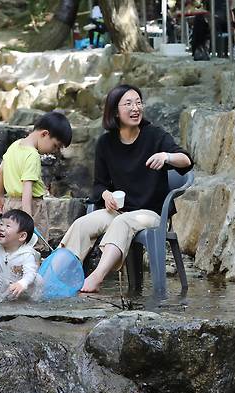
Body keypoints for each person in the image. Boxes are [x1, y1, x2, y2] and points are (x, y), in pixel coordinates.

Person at [59, 84, 193, 293]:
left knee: (122, 222)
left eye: (138, 103)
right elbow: (99, 184)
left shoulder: (155, 136)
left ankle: (96, 277)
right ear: (114, 111)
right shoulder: (105, 143)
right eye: (128, 103)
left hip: (151, 213)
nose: (135, 108)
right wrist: (106, 194)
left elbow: (186, 160)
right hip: (120, 210)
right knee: (82, 224)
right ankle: (59, 275)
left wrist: (166, 156)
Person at [0, 112, 72, 242]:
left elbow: (0, 171)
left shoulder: (15, 145)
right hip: (31, 206)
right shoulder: (32, 156)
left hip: (10, 204)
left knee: (12, 244)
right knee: (34, 245)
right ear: (44, 134)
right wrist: (27, 220)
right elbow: (27, 188)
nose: (54, 151)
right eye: (55, 146)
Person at [0, 209, 41, 302]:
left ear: (22, 236)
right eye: (1, 224)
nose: (2, 228)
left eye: (8, 226)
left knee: (37, 279)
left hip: (24, 291)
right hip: (6, 288)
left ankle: (30, 304)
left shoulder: (27, 253)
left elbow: (30, 273)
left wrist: (22, 284)